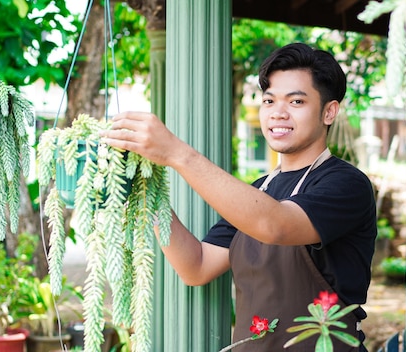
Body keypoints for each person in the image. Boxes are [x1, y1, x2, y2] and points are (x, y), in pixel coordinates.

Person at [100, 42, 377, 351]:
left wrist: (177, 154)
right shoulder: (260, 190)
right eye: (269, 101)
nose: (278, 113)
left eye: (296, 101)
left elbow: (276, 225)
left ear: (329, 111)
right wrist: (146, 193)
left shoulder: (346, 184)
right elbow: (197, 266)